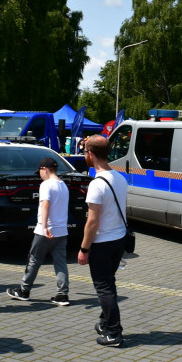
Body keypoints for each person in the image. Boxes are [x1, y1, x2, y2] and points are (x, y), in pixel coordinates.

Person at [77, 134, 129, 347]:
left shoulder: (97, 184)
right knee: (109, 283)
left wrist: (83, 248)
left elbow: (92, 222)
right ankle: (105, 322)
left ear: (90, 154)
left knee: (104, 287)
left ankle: (114, 333)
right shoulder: (120, 178)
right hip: (119, 239)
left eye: (85, 152)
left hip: (102, 243)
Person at [7, 156, 70, 305]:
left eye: (40, 171)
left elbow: (46, 205)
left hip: (45, 231)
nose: (39, 175)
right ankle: (62, 294)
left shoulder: (46, 185)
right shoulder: (63, 185)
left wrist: (44, 226)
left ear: (45, 169)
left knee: (34, 259)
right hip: (61, 231)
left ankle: (24, 290)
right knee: (60, 262)